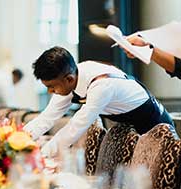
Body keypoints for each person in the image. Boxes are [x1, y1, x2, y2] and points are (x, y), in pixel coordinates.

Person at [23, 46, 174, 157]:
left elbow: (75, 127)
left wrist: (41, 155)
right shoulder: (69, 77)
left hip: (155, 122)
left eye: (51, 87)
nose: (50, 92)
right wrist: (18, 140)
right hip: (128, 125)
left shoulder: (101, 85)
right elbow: (47, 117)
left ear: (68, 79)